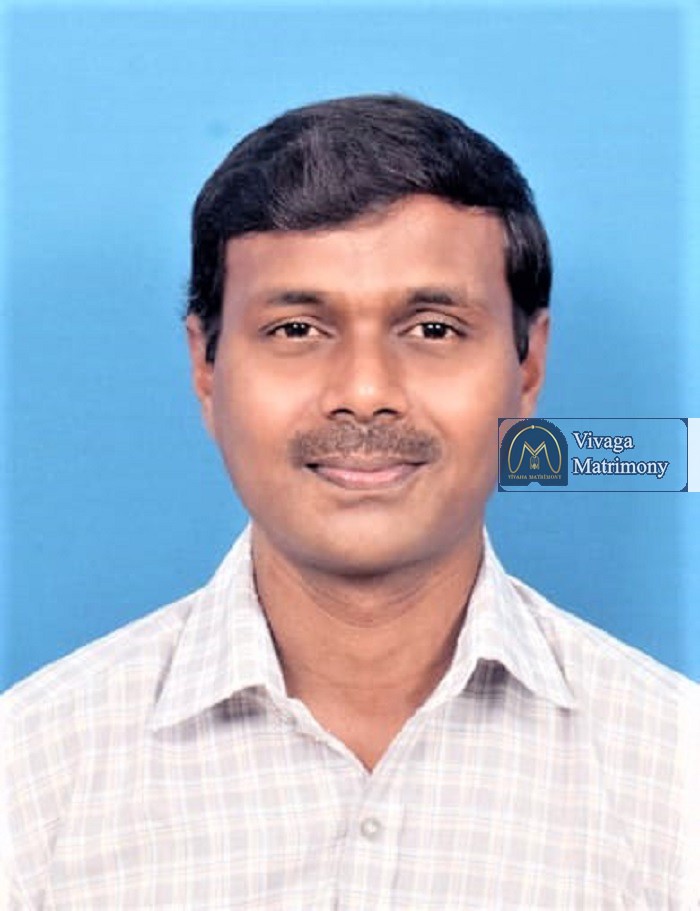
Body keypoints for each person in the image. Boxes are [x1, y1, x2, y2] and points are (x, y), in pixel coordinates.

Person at [2, 94, 697, 909]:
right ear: (206, 369)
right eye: (297, 329)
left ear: (528, 366)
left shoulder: (676, 780)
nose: (365, 392)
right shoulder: (30, 779)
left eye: (433, 328)